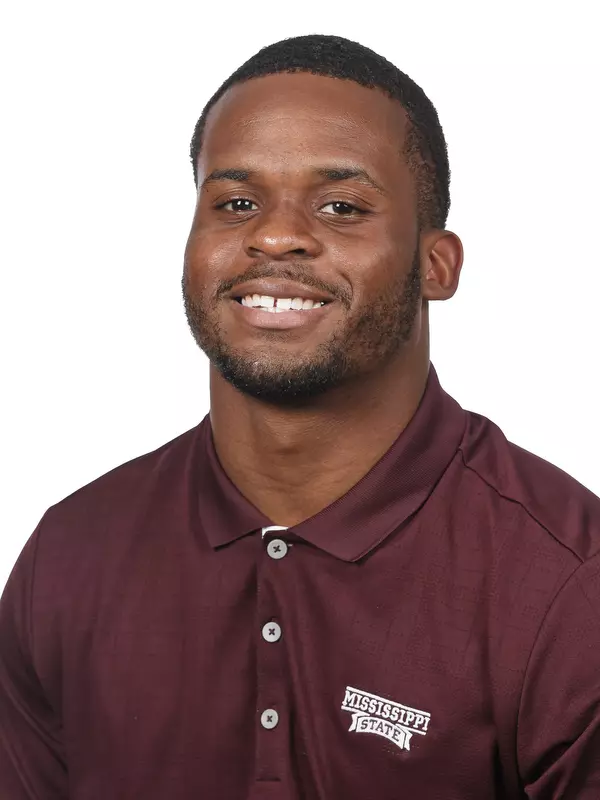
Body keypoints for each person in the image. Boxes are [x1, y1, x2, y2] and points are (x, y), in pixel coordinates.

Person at [0, 33, 598, 800]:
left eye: (341, 207)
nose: (274, 235)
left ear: (437, 264)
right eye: (237, 203)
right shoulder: (70, 556)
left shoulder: (568, 584)